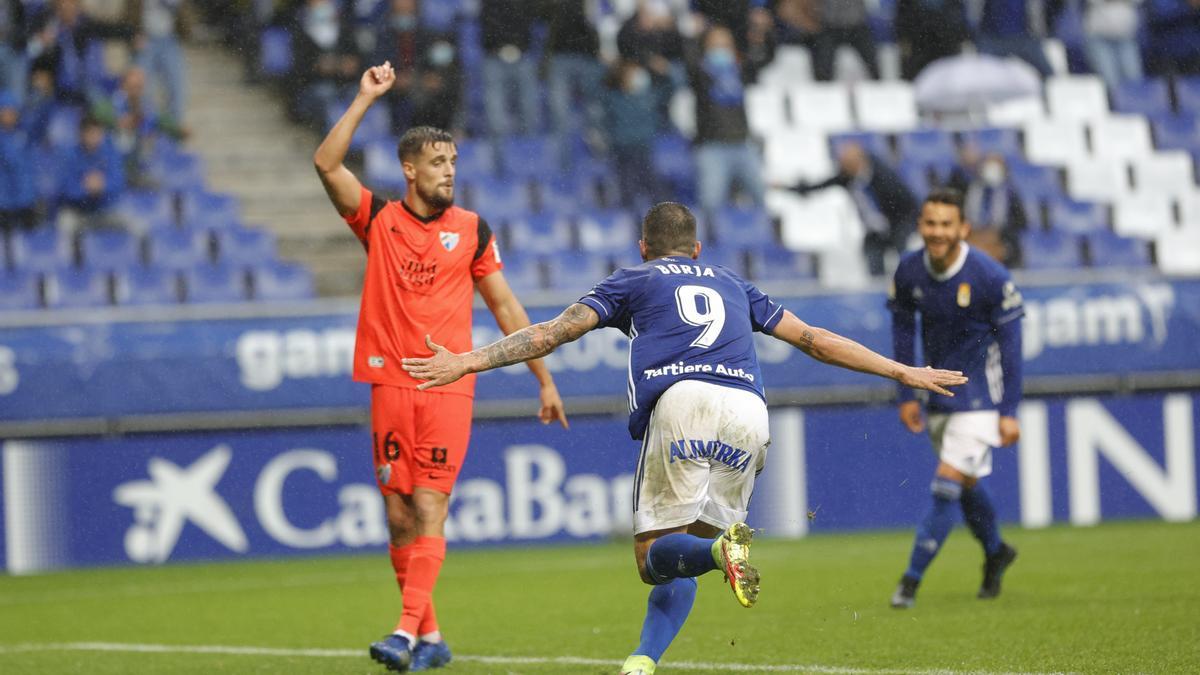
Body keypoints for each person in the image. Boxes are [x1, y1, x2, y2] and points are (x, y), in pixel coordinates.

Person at [401, 202, 968, 675]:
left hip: (683, 403)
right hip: (749, 410)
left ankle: (720, 553)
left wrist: (469, 361)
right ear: (697, 250)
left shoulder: (632, 278)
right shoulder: (732, 282)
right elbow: (815, 339)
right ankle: (643, 660)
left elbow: (554, 332)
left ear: (643, 247)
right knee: (691, 545)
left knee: (655, 557)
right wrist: (904, 372)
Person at [312, 62, 568, 672]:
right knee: (398, 517)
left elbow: (504, 305)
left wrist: (543, 376)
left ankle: (403, 633)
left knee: (430, 507)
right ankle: (431, 639)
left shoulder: (474, 231)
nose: (449, 171)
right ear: (409, 170)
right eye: (437, 163)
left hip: (450, 382)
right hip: (389, 382)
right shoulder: (378, 221)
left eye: (452, 163)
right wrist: (364, 98)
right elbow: (325, 164)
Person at [887, 187, 1023, 609]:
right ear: (920, 226)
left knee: (947, 485)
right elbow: (904, 332)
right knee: (964, 485)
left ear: (962, 228)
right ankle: (997, 551)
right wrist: (905, 391)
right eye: (931, 223)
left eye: (947, 224)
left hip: (982, 399)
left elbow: (1013, 346)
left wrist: (1010, 411)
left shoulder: (990, 277)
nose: (938, 232)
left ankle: (909, 584)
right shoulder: (908, 271)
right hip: (937, 398)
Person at [785, 142, 919, 277]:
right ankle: (878, 292)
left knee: (904, 258)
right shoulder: (847, 176)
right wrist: (792, 189)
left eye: (847, 164)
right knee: (873, 259)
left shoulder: (883, 176)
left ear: (859, 161)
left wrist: (905, 226)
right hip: (875, 229)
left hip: (898, 223)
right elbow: (822, 185)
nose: (844, 169)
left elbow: (906, 201)